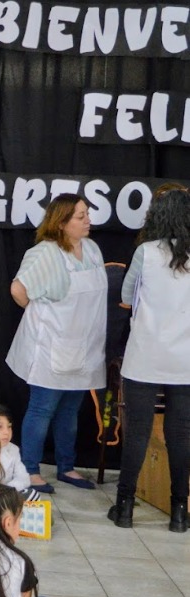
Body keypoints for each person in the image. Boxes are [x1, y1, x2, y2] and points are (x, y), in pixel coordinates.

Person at [6, 193, 106, 492]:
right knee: (42, 409)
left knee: (70, 411)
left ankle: (66, 467)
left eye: (87, 214)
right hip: (51, 347)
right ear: (61, 223)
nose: (88, 220)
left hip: (85, 347)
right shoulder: (45, 253)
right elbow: (18, 290)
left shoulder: (92, 249)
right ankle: (30, 470)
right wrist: (40, 315)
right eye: (80, 216)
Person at [109, 187, 190, 532]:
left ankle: (124, 507)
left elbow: (126, 296)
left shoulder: (145, 252)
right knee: (181, 436)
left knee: (138, 432)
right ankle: (179, 511)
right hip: (185, 361)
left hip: (144, 356)